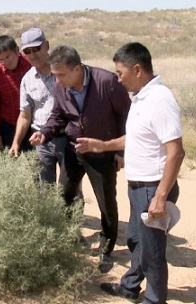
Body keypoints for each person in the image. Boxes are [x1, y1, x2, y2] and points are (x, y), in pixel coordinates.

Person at [92, 42, 185, 303]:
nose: (118, 79)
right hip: (138, 186)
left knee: (152, 251)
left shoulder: (160, 100)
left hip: (153, 187)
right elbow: (135, 138)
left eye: (120, 73)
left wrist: (160, 196)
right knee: (136, 240)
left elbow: (176, 151)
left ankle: (154, 299)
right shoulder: (141, 98)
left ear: (137, 69)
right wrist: (104, 145)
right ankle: (130, 286)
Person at [29, 45, 131, 272]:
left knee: (106, 202)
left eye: (61, 74)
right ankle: (68, 236)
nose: (58, 80)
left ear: (77, 69)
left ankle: (106, 248)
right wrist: (44, 133)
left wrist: (120, 151)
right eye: (55, 75)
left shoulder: (106, 82)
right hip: (74, 150)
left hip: (102, 152)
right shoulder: (60, 88)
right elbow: (58, 117)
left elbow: (126, 114)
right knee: (63, 195)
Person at [10, 28, 83, 197]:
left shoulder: (66, 70)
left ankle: (71, 222)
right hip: (41, 140)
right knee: (45, 190)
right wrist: (16, 142)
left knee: (71, 188)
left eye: (36, 49)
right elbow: (25, 115)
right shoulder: (27, 80)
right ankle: (51, 222)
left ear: (47, 46)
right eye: (28, 51)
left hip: (68, 138)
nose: (33, 55)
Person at [0, 35, 32, 151]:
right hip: (8, 126)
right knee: (9, 165)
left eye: (9, 57)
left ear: (17, 50)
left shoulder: (31, 64)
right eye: (1, 60)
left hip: (31, 125)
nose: (6, 62)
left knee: (36, 165)